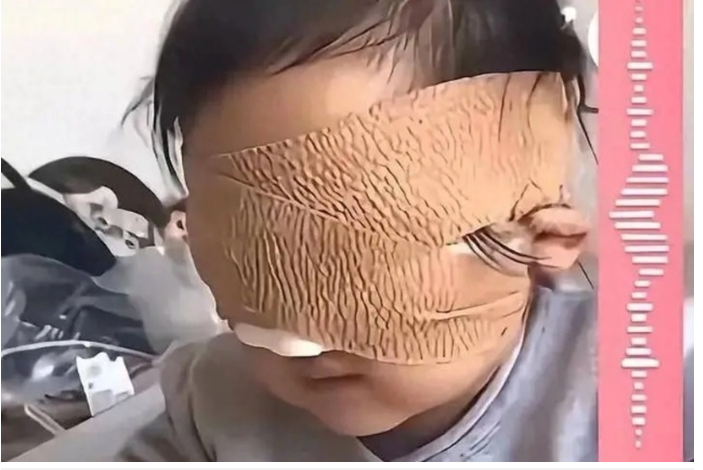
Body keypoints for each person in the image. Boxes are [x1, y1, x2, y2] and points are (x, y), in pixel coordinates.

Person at [119, 0, 599, 462]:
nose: (300, 340)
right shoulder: (214, 403)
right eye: (252, 265)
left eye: (362, 264)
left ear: (544, 235)